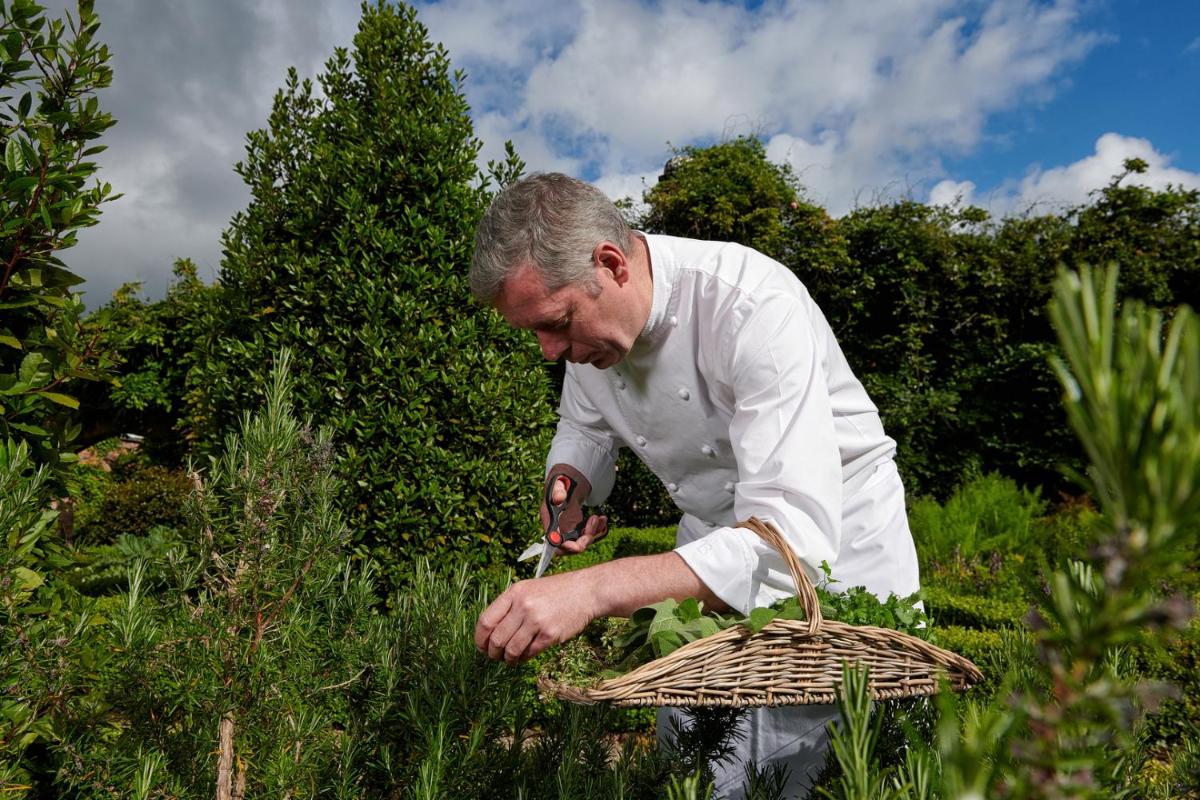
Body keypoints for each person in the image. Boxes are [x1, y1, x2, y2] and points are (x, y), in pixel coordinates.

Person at [470, 172, 920, 798]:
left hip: (835, 551)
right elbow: (585, 425)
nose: (549, 352)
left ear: (611, 264)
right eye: (536, 333)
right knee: (697, 764)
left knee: (819, 772)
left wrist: (591, 589)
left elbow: (788, 540)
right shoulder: (592, 342)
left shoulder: (752, 306)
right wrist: (569, 482)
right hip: (707, 548)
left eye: (558, 322)